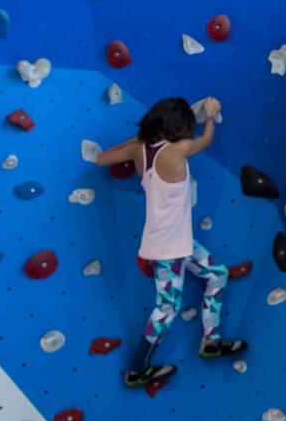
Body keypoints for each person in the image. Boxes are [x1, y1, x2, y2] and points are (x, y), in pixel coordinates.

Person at [94, 96, 247, 388]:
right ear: (180, 128)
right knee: (166, 309)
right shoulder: (179, 150)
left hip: (177, 244)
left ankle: (210, 341)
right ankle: (137, 369)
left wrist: (138, 138)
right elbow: (206, 140)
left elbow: (102, 158)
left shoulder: (138, 148)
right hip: (168, 251)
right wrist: (211, 115)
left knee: (218, 274)